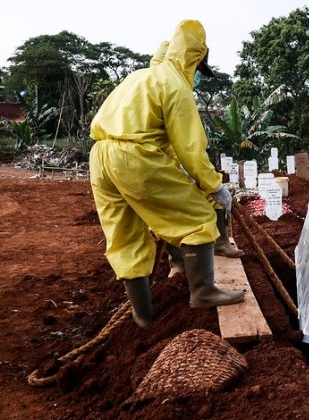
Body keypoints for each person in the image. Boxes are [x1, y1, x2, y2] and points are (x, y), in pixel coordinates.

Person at [89, 20, 244, 328]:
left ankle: (144, 317)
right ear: (193, 59)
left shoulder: (140, 77)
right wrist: (214, 187)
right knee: (197, 216)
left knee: (125, 236)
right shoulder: (176, 86)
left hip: (100, 157)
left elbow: (162, 141)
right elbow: (190, 148)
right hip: (135, 158)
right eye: (199, 68)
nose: (199, 76)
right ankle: (203, 291)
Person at [147, 41, 244, 280]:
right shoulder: (163, 85)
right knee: (175, 212)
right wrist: (186, 168)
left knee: (212, 196)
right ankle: (179, 263)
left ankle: (221, 243)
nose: (198, 77)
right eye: (198, 71)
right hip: (159, 162)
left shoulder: (175, 85)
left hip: (177, 159)